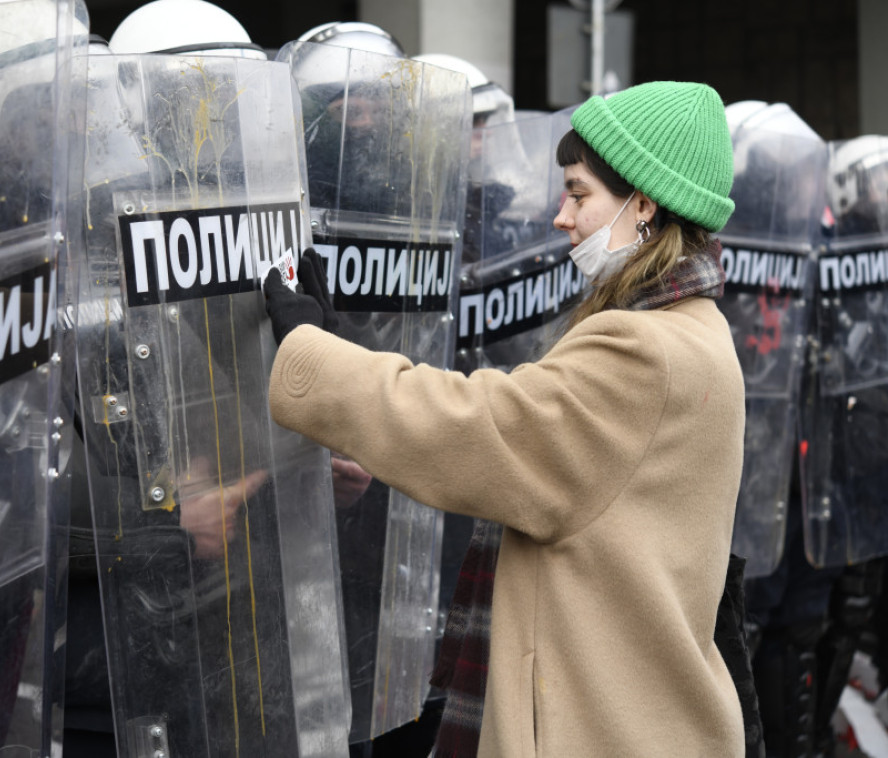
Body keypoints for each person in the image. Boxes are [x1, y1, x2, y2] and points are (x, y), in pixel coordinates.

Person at [263, 80, 746, 756]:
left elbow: (483, 428)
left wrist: (313, 358)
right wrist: (351, 349)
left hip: (603, 728)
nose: (561, 215)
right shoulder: (689, 328)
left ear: (644, 206)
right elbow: (525, 409)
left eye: (579, 194)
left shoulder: (645, 351)